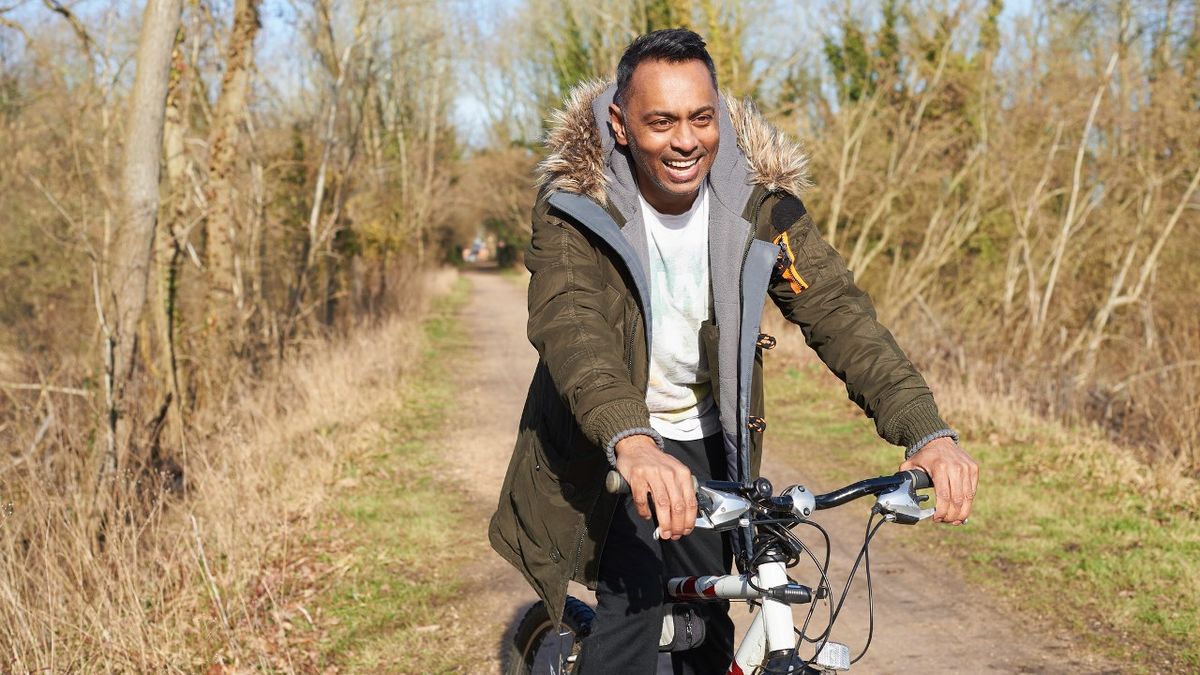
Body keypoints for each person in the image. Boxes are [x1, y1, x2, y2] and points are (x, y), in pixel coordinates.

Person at [489, 28, 979, 674]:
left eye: (700, 117)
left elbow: (839, 314)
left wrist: (926, 429)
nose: (686, 140)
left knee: (706, 633)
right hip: (613, 445)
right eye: (660, 121)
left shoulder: (761, 205)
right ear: (621, 122)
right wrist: (633, 443)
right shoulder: (575, 208)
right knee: (632, 625)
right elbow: (575, 335)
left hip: (706, 444)